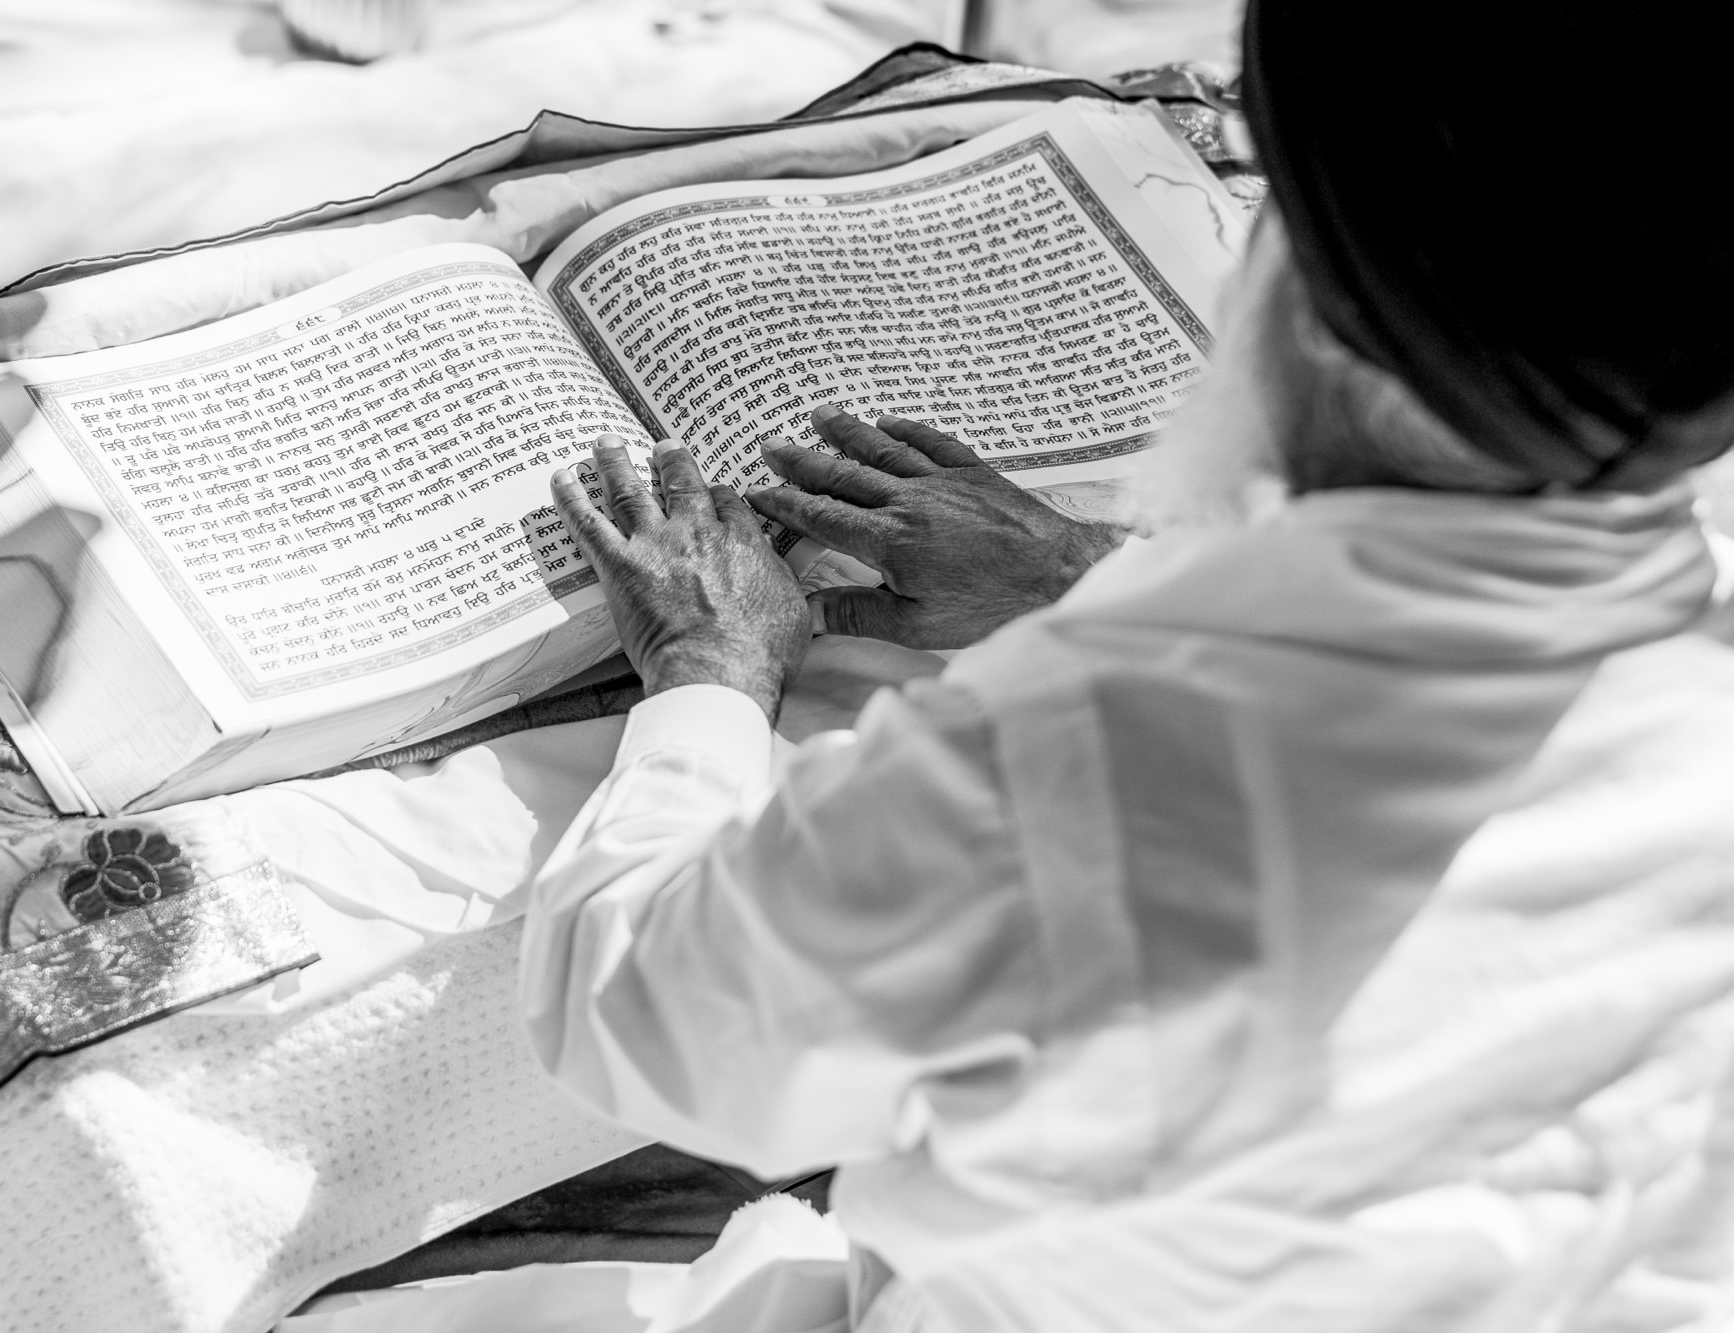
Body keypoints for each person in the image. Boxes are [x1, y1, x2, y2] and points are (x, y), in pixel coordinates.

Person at [518, 1, 1734, 1327]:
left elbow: (648, 1015)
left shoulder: (1088, 758)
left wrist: (708, 668)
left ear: (1316, 306)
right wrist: (1072, 569)